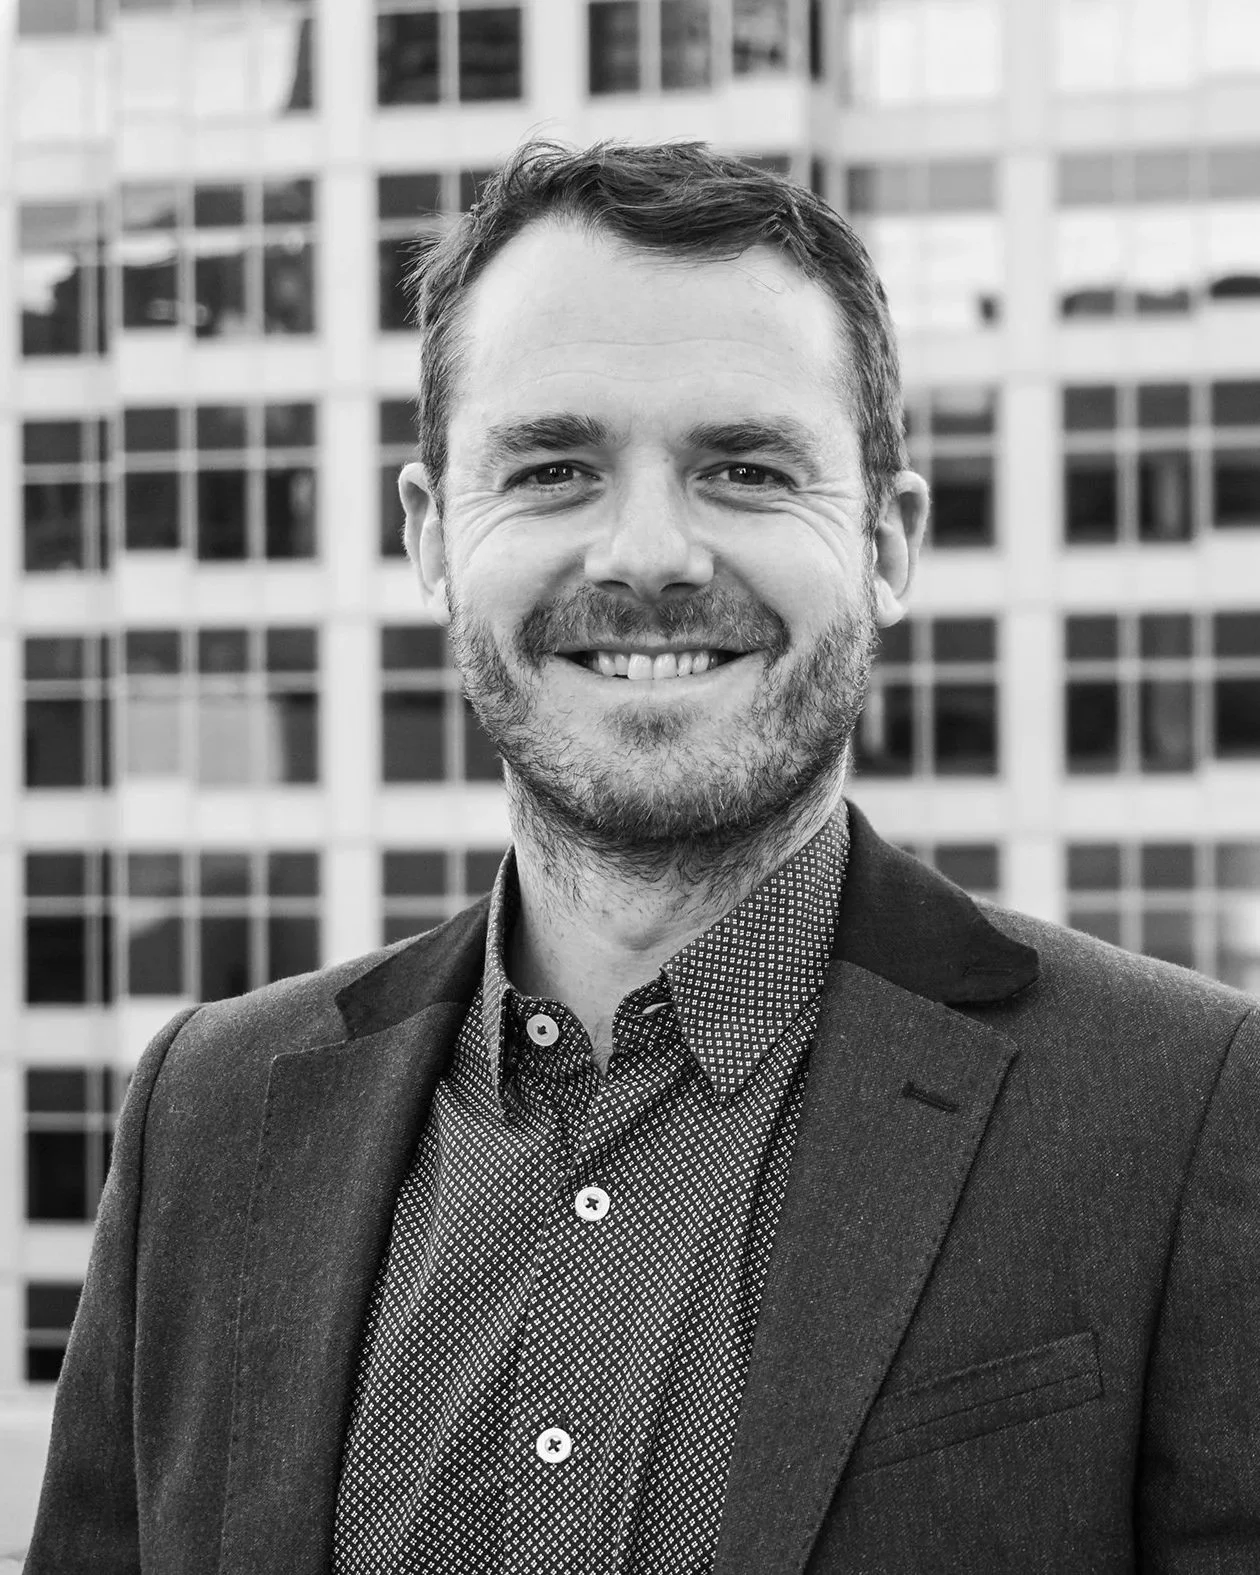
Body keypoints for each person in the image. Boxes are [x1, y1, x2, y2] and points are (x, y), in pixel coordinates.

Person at [28, 139, 1260, 1575]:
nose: (650, 553)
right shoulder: (209, 1121)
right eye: (553, 468)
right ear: (432, 536)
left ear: (890, 540)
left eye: (744, 468)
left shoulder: (1183, 1114)